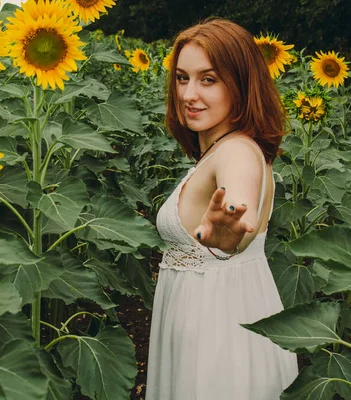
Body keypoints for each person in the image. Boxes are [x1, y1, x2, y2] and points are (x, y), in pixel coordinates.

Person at [145, 18, 299, 399]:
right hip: (222, 325)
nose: (189, 93)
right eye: (182, 78)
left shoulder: (236, 153)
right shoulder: (233, 146)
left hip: (215, 343)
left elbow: (237, 212)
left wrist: (229, 236)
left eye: (208, 79)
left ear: (241, 84)